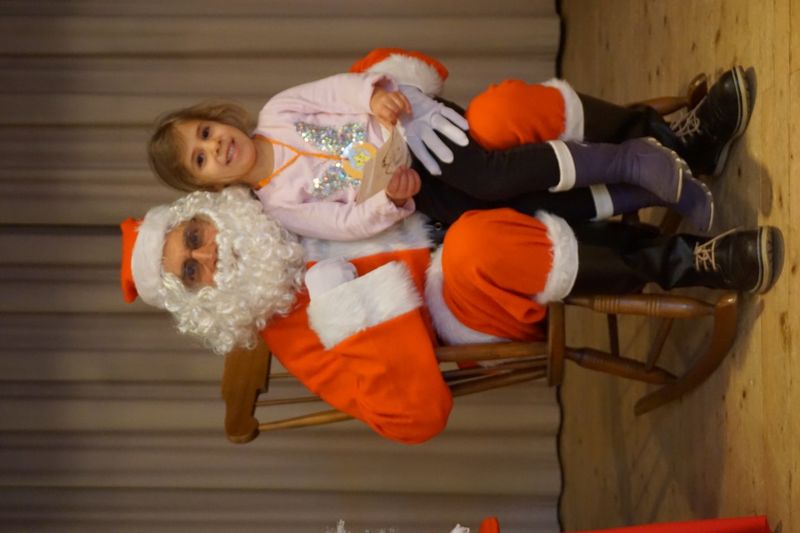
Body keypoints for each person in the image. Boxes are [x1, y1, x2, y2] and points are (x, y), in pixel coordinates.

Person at [120, 186, 782, 444]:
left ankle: (659, 153)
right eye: (191, 271)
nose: (210, 255)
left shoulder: (283, 188)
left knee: (495, 126)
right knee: (476, 244)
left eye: (195, 236)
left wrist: (382, 94)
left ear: (209, 213)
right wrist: (344, 305)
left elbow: (355, 129)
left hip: (461, 196)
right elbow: (413, 418)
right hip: (470, 300)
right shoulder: (293, 335)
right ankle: (691, 262)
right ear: (199, 301)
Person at [146, 49, 750, 239]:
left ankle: (631, 158)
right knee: (494, 209)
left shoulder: (278, 112)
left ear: (218, 118)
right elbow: (345, 223)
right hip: (414, 184)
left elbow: (337, 89)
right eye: (201, 159)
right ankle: (650, 190)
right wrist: (390, 200)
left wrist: (375, 100)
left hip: (420, 129)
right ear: (210, 186)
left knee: (487, 176)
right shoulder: (280, 206)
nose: (215, 147)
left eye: (206, 132)